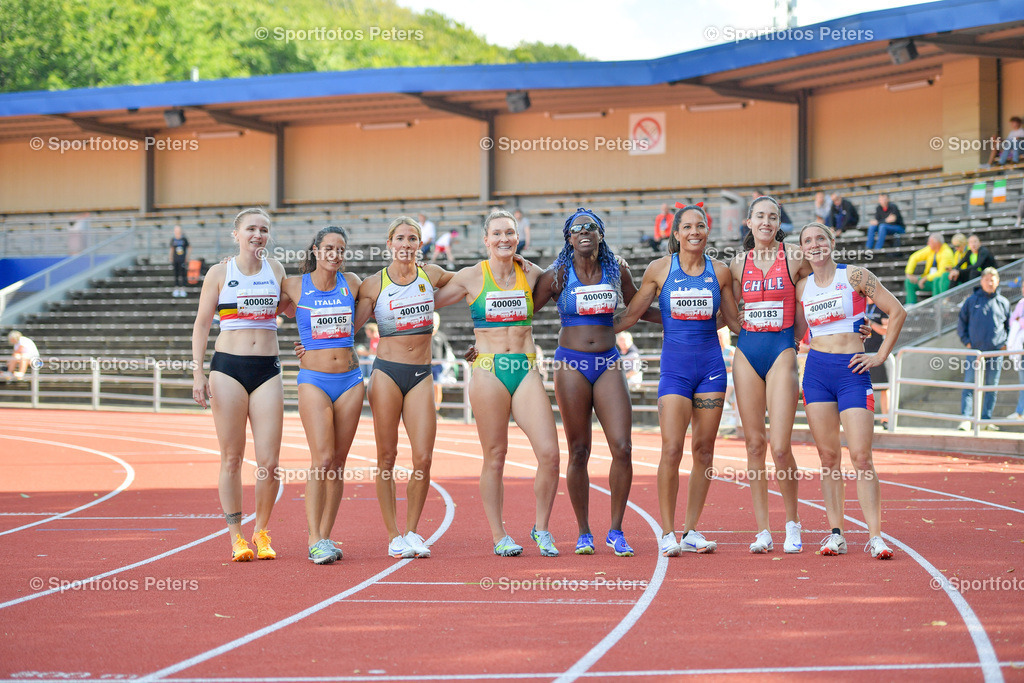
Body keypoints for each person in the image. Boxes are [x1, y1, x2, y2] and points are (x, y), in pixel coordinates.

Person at [615, 203, 741, 556]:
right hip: (675, 370)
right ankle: (667, 533)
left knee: (704, 450)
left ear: (707, 231)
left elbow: (732, 321)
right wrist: (589, 327)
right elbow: (632, 315)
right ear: (676, 233)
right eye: (687, 227)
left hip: (712, 369)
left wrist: (778, 330)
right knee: (671, 449)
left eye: (700, 226)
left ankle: (692, 531)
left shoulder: (720, 272)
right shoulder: (659, 269)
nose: (694, 232)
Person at [434, 209, 560, 557]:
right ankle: (499, 534)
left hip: (525, 369)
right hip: (488, 371)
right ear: (485, 239)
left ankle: (542, 528)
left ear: (518, 238)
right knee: (495, 455)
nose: (504, 239)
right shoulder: (470, 277)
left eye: (510, 233)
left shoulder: (532, 273)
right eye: (497, 233)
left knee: (550, 455)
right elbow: (425, 303)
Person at [532, 207, 647, 557]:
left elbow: (635, 307)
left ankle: (615, 529)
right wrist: (487, 341)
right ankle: (584, 532)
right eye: (577, 228)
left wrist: (684, 320)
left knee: (623, 447)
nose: (585, 231)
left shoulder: (617, 270)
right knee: (579, 451)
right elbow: (523, 314)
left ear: (601, 235)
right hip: (571, 364)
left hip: (609, 362)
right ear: (568, 238)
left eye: (591, 227)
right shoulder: (557, 275)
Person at [797, 221, 905, 560]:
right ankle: (836, 534)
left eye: (820, 238)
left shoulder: (855, 275)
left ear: (832, 241)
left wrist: (880, 353)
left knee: (861, 456)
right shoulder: (801, 287)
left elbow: (897, 311)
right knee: (828, 458)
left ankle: (876, 537)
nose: (815, 244)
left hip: (852, 370)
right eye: (808, 241)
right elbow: (793, 332)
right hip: (816, 373)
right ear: (802, 249)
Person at [357, 216, 460, 558]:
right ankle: (393, 535)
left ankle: (414, 531)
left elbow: (472, 281)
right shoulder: (374, 284)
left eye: (412, 238)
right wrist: (310, 344)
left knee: (423, 457)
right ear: (389, 244)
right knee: (386, 456)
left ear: (420, 244)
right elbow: (346, 321)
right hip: (386, 373)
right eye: (399, 238)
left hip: (421, 375)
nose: (405, 244)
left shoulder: (431, 275)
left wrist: (511, 259)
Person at [191, 208, 285, 562]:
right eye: (250, 229)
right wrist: (197, 372)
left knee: (269, 462)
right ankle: (236, 536)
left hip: (267, 370)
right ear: (237, 235)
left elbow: (295, 308)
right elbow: (201, 325)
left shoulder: (276, 269)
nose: (257, 235)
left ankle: (261, 531)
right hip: (227, 368)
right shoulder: (219, 272)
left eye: (263, 229)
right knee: (232, 457)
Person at [728, 195, 808, 555]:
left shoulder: (794, 256)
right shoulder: (736, 263)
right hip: (747, 351)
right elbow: (727, 310)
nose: (766, 222)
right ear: (748, 222)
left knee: (779, 446)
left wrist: (796, 340)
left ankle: (792, 523)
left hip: (781, 350)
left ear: (779, 223)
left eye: (772, 217)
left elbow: (816, 295)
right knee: (754, 444)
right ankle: (763, 529)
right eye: (759, 216)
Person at [280, 226, 364, 565]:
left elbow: (398, 286)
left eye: (340, 249)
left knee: (339, 464)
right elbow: (265, 309)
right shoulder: (294, 285)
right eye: (329, 248)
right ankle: (313, 537)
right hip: (313, 379)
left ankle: (326, 536)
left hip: (351, 380)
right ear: (315, 250)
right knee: (323, 459)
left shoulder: (354, 283)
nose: (335, 254)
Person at [957, 267, 1010, 431]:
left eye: (993, 279)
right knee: (969, 385)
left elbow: (1009, 327)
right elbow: (961, 324)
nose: (990, 282)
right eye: (987, 279)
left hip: (995, 353)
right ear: (981, 281)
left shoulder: (1004, 302)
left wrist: (1004, 344)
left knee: (991, 387)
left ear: (998, 281)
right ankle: (966, 419)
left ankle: (986, 420)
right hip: (975, 353)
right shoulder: (971, 301)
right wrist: (967, 343)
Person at [904, 232, 955, 304]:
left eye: (930, 242)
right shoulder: (930, 249)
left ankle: (936, 306)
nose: (928, 243)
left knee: (936, 280)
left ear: (937, 243)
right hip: (929, 280)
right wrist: (909, 273)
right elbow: (913, 257)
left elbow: (942, 273)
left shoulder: (946, 252)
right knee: (909, 282)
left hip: (939, 281)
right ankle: (911, 304)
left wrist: (926, 278)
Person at [863, 297, 891, 429]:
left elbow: (886, 330)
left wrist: (871, 324)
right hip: (862, 353)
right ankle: (868, 418)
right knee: (864, 388)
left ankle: (885, 419)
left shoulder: (881, 308)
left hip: (877, 353)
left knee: (884, 387)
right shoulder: (860, 305)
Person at [431, 312, 457, 411]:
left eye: (436, 321)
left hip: (438, 367)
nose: (434, 323)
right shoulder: (425, 335)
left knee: (437, 388)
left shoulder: (441, 336)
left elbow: (447, 351)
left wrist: (445, 365)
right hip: (426, 366)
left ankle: (436, 410)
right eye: (433, 321)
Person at [1006, 278, 1024, 420]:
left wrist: (1020, 321)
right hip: (1021, 348)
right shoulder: (1021, 303)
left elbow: (1018, 321)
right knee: (1022, 382)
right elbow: (1012, 320)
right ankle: (1020, 412)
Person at [170, 225, 191, 298]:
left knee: (183, 274)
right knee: (176, 274)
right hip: (176, 259)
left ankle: (183, 289)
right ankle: (176, 288)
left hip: (182, 259)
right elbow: (172, 249)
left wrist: (187, 257)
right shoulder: (173, 239)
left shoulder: (184, 239)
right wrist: (171, 257)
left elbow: (189, 247)